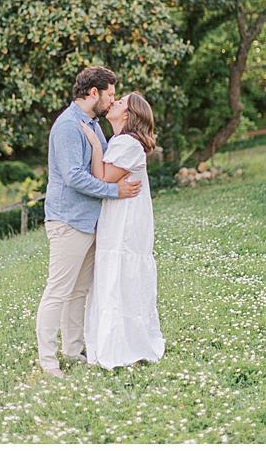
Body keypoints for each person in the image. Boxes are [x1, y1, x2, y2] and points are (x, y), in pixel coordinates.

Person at [35, 66, 141, 378]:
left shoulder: (92, 124)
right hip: (68, 220)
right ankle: (48, 361)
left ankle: (72, 350)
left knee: (79, 291)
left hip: (89, 222)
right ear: (93, 93)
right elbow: (74, 176)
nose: (112, 100)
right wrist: (114, 191)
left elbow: (100, 166)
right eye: (109, 94)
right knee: (58, 291)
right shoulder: (68, 126)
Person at [80, 91, 166, 368]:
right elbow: (109, 182)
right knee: (113, 279)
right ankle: (113, 342)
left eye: (120, 102)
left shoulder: (129, 143)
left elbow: (103, 177)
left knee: (123, 279)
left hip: (126, 226)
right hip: (116, 219)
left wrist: (95, 144)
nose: (113, 102)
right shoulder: (120, 141)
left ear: (128, 115)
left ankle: (128, 345)